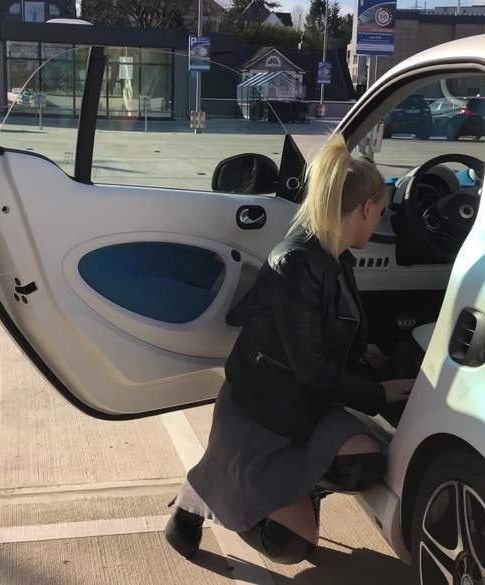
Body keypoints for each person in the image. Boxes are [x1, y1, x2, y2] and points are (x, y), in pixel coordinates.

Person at [164, 133, 414, 564]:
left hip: (307, 408)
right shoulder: (294, 264)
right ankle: (197, 494)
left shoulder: (337, 258)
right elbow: (313, 369)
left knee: (366, 465)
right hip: (263, 412)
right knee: (290, 547)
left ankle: (293, 488)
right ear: (368, 208)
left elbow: (332, 333)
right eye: (381, 213)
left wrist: (367, 352)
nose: (379, 222)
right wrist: (382, 392)